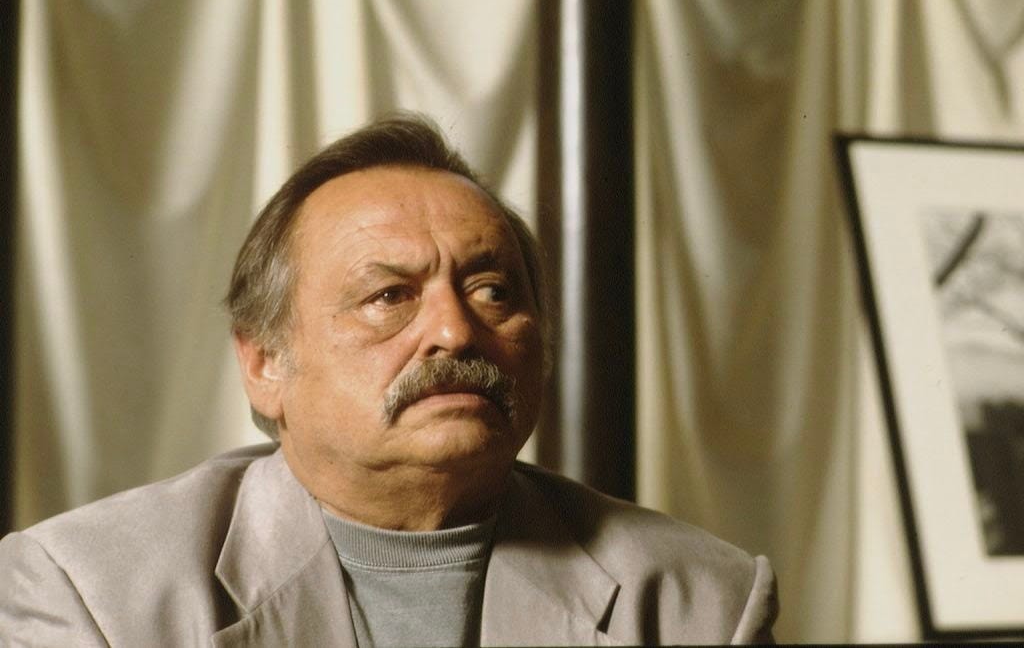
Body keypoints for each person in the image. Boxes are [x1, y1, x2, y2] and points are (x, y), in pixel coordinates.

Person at [0, 114, 778, 646]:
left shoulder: (702, 602)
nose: (454, 330)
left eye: (492, 290)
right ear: (264, 363)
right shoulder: (87, 592)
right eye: (389, 295)